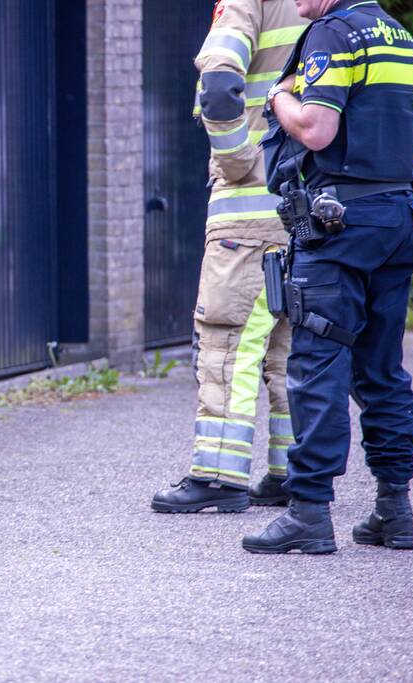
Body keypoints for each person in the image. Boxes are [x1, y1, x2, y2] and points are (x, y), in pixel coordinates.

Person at [243, 0, 413, 553]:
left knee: (318, 360)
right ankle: (394, 509)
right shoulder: (399, 38)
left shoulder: (331, 33)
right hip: (396, 216)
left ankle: (309, 512)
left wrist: (277, 96)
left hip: (338, 222)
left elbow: (317, 130)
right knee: (381, 364)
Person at [152, 0, 307, 513]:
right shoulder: (335, 8)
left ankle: (219, 475)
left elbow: (218, 83)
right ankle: (291, 473)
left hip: (247, 216)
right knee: (289, 349)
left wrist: (238, 159)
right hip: (307, 211)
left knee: (226, 343)